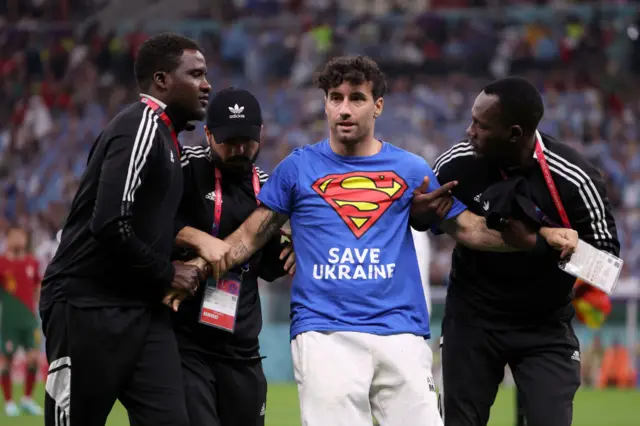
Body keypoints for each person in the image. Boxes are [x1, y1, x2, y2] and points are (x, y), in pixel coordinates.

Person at [195, 56, 577, 426]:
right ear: (325, 105)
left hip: (401, 330)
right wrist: (194, 268)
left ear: (377, 106)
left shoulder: (411, 169)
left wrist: (542, 234)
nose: (345, 109)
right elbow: (249, 236)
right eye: (335, 98)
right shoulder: (297, 168)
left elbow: (470, 228)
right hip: (325, 330)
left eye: (357, 98)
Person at [39, 33, 211, 426]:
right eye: (196, 74)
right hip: (87, 307)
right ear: (162, 80)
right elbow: (109, 222)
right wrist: (168, 272)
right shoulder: (141, 126)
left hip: (144, 311)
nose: (207, 84)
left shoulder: (168, 138)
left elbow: (147, 228)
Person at [430, 77, 620, 426]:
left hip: (544, 326)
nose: (469, 131)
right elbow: (426, 214)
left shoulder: (575, 179)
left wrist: (536, 245)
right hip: (472, 319)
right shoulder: (456, 164)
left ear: (514, 133)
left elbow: (607, 266)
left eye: (480, 125)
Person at [163, 87, 296, 426]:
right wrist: (196, 239)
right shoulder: (184, 167)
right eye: (228, 140)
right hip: (186, 346)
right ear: (207, 134)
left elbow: (266, 269)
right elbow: (147, 223)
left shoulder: (267, 191)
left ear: (262, 133)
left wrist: (293, 251)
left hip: (242, 350)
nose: (238, 149)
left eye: (247, 140)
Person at [0, 226, 42, 416]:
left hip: (29, 320)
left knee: (34, 358)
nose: (19, 239)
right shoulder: (1, 263)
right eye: (15, 236)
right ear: (8, 239)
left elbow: (37, 286)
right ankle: (9, 402)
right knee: (6, 361)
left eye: (22, 236)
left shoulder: (32, 262)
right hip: (8, 321)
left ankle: (27, 399)